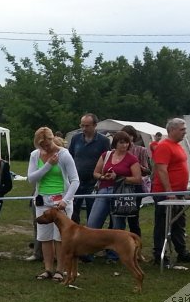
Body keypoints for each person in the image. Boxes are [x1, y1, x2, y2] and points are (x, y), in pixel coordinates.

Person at [28, 127, 80, 281]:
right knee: (44, 236)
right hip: (42, 201)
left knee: (59, 236)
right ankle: (48, 269)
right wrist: (48, 165)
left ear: (52, 139)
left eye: (47, 143)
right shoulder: (34, 155)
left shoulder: (64, 155)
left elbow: (75, 180)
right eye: (41, 145)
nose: (45, 147)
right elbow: (31, 179)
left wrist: (66, 200)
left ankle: (60, 270)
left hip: (61, 202)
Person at [86, 131, 141, 262]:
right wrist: (103, 177)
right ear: (115, 143)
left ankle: (113, 255)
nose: (124, 145)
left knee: (117, 225)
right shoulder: (106, 155)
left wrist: (120, 178)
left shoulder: (132, 159)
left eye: (127, 142)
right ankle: (88, 251)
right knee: (93, 222)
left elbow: (137, 179)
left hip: (121, 193)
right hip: (104, 190)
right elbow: (95, 173)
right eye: (121, 142)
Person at [152, 118, 190, 267]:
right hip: (165, 193)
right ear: (172, 130)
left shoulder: (178, 146)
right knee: (163, 224)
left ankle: (182, 252)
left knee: (179, 223)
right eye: (182, 129)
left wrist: (183, 190)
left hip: (178, 192)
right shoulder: (164, 146)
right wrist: (169, 191)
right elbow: (161, 169)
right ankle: (160, 255)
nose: (185, 132)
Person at [68, 113, 110, 224]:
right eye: (82, 125)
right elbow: (70, 157)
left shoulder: (103, 141)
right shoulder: (75, 139)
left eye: (87, 126)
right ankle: (75, 237)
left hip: (93, 183)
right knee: (72, 212)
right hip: (76, 181)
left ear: (95, 125)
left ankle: (91, 237)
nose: (84, 128)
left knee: (93, 214)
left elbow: (107, 160)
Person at [120, 125, 152, 236]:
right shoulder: (117, 150)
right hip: (121, 187)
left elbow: (148, 170)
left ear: (133, 136)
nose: (126, 139)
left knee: (133, 217)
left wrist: (137, 166)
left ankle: (136, 240)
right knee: (118, 215)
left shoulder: (141, 150)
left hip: (135, 187)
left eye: (129, 136)